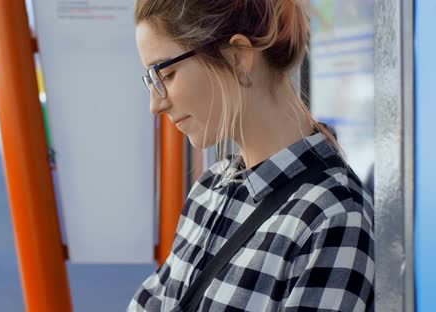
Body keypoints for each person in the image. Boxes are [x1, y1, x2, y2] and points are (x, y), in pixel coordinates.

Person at [129, 0, 374, 311]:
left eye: (166, 73)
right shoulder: (210, 189)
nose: (155, 104)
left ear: (237, 57)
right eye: (151, 78)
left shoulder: (333, 218)